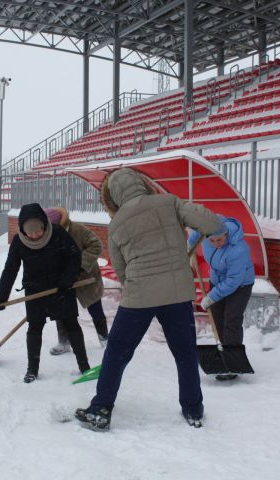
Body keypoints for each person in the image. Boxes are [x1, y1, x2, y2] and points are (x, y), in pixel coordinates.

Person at [75, 167, 225, 431]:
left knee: (117, 353)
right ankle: (193, 409)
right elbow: (214, 225)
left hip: (139, 296)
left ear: (114, 195)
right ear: (141, 183)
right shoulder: (169, 202)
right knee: (185, 354)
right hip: (177, 293)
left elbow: (121, 270)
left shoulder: (117, 222)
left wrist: (137, 281)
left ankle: (100, 409)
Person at [0, 203, 90, 383]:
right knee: (35, 328)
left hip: (61, 288)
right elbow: (10, 269)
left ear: (45, 226)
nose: (35, 236)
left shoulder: (58, 233)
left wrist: (67, 280)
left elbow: (74, 256)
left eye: (38, 232)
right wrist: (1, 297)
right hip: (34, 290)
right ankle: (32, 370)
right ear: (23, 230)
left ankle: (84, 367)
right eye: (30, 233)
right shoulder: (18, 241)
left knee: (71, 325)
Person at [188, 216, 255, 381]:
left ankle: (232, 363)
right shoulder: (207, 229)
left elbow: (233, 281)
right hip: (217, 280)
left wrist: (211, 296)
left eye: (219, 240)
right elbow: (197, 229)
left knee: (231, 320)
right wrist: (190, 245)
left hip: (240, 285)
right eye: (212, 240)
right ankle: (222, 353)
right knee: (217, 319)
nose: (216, 243)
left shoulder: (238, 249)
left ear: (226, 235)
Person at [44, 207, 108, 355]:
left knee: (95, 308)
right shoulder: (48, 235)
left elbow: (96, 245)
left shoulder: (78, 229)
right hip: (63, 279)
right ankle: (64, 342)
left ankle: (105, 340)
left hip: (85, 277)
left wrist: (78, 266)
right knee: (61, 310)